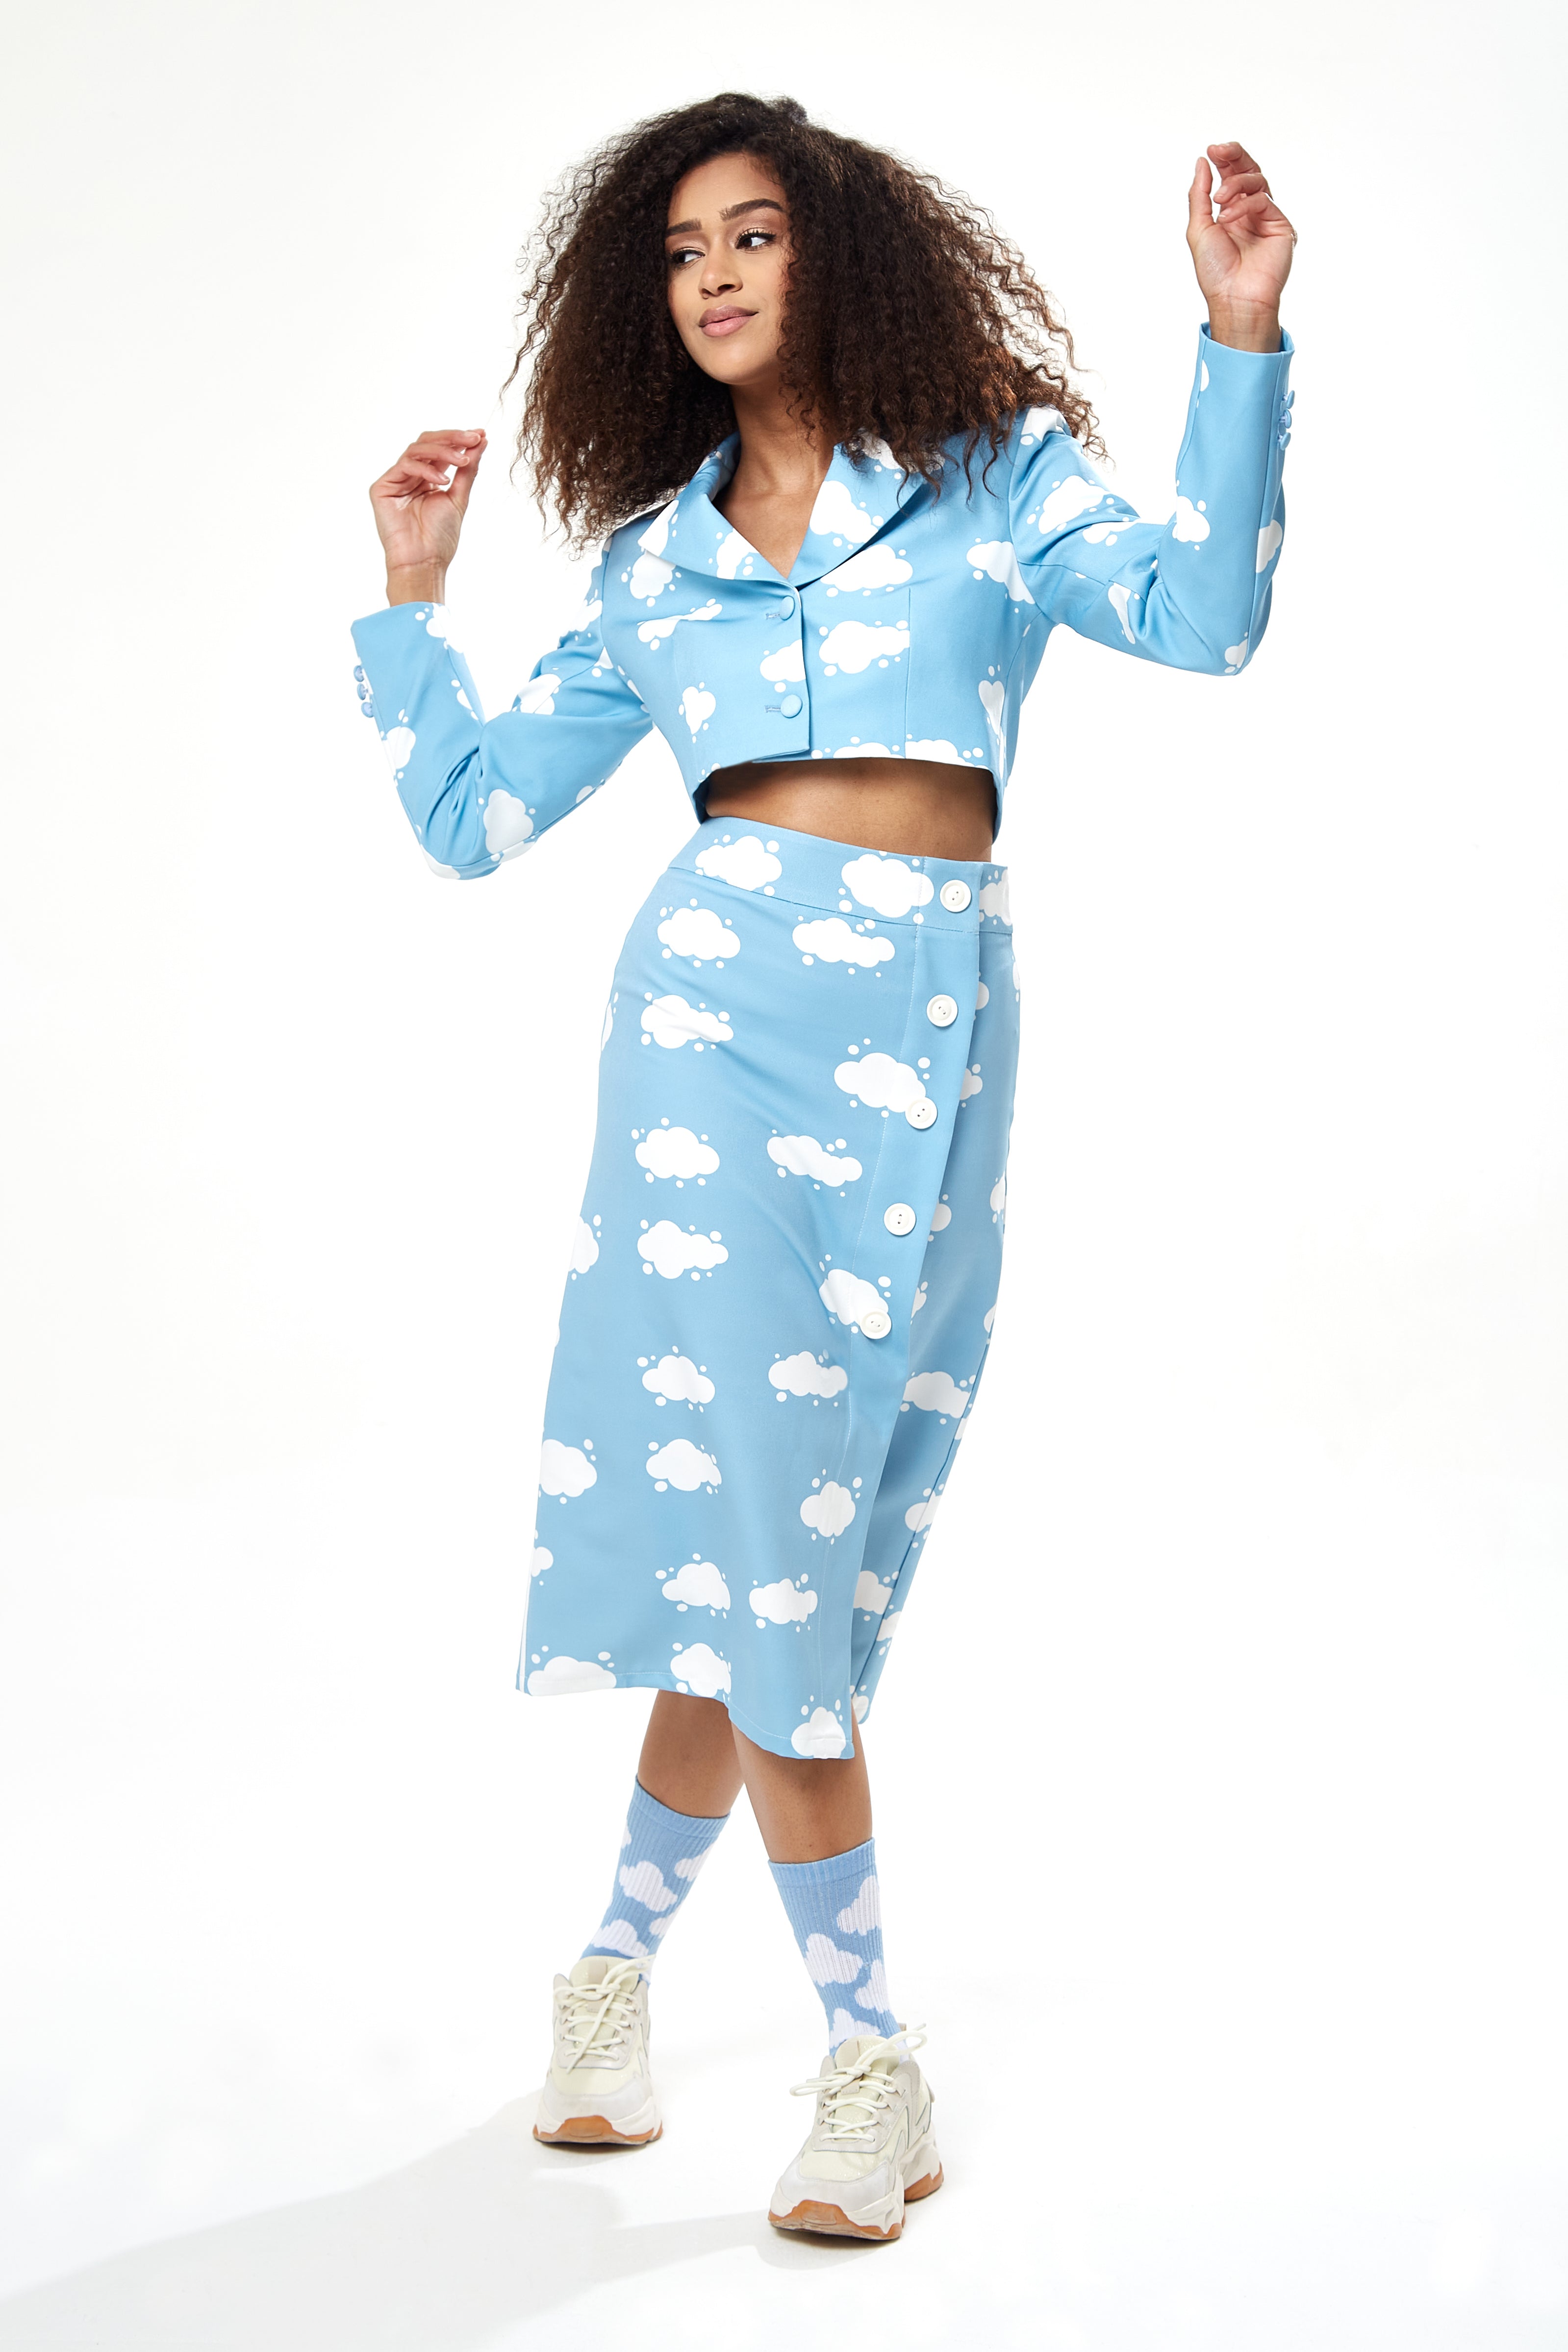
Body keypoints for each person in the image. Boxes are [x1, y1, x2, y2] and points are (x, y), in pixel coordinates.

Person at [351, 91, 1295, 2241]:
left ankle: (607, 1973)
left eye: (753, 233)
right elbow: (476, 816)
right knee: (773, 1553)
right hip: (707, 1042)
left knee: (785, 1556)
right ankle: (873, 2061)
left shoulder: (986, 484)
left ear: (835, 253)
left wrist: (1237, 340)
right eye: (682, 250)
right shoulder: (648, 566)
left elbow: (1206, 618)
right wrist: (411, 604)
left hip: (934, 1040)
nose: (714, 275)